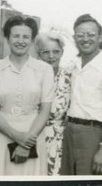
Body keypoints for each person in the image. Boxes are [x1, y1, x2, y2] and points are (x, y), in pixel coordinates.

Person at [0, 15, 54, 175]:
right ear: (7, 38)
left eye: (26, 36)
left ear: (32, 40)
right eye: (15, 36)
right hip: (0, 135)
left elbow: (45, 110)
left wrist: (26, 142)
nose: (20, 41)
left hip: (32, 134)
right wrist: (17, 136)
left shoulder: (44, 69)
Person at [61, 14, 102, 175]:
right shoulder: (72, 68)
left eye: (91, 34)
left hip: (96, 135)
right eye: (80, 35)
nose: (85, 39)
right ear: (74, 38)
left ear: (99, 37)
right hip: (70, 134)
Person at [35, 31, 73, 176]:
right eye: (46, 52)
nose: (51, 56)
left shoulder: (70, 75)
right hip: (34, 136)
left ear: (62, 52)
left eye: (56, 51)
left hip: (60, 140)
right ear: (39, 53)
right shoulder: (32, 75)